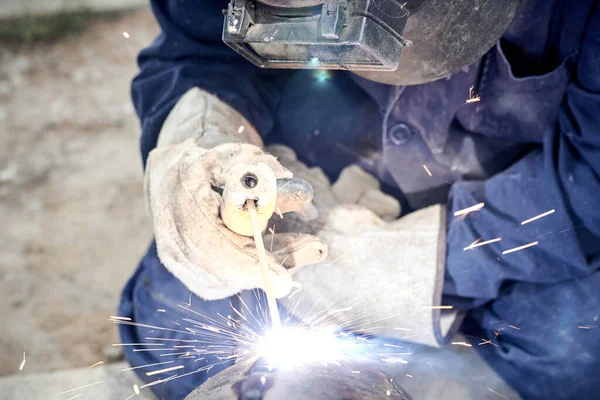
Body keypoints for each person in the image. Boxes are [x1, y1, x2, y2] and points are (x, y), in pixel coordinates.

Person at [118, 0, 600, 398]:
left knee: (578, 346)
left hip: (515, 224)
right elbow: (202, 48)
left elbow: (589, 179)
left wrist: (412, 267)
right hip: (321, 190)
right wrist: (204, 136)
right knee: (172, 312)